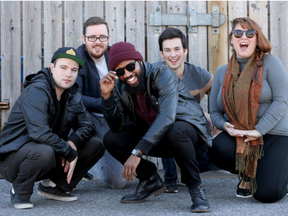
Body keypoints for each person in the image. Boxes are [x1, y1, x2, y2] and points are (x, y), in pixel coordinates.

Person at [100, 42, 212, 213]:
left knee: (175, 130)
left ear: (139, 61)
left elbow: (167, 117)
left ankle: (196, 189)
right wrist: (107, 97)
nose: (128, 74)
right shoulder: (121, 86)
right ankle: (149, 180)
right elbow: (117, 126)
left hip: (189, 135)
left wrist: (137, 152)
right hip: (159, 138)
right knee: (111, 139)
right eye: (121, 71)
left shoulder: (162, 73)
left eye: (130, 66)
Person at [0, 47, 105, 209]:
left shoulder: (72, 94)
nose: (68, 74)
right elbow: (39, 132)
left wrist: (73, 142)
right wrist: (69, 152)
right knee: (44, 151)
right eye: (63, 68)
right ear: (52, 68)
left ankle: (55, 187)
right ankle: (20, 191)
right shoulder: (37, 90)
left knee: (95, 145)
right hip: (13, 158)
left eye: (74, 70)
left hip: (47, 152)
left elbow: (87, 125)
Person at [208, 17, 288, 203]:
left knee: (266, 194)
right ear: (232, 39)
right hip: (242, 135)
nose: (244, 37)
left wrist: (258, 130)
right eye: (238, 33)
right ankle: (248, 173)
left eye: (250, 33)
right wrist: (225, 126)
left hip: (276, 134)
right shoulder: (222, 72)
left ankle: (279, 171)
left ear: (257, 38)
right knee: (217, 148)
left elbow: (282, 100)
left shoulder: (270, 63)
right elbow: (214, 111)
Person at [157, 27, 219, 193]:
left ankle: (188, 171)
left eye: (177, 49)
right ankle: (170, 177)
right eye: (167, 50)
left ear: (185, 51)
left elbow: (221, 99)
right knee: (168, 123)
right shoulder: (154, 74)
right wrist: (200, 112)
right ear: (161, 54)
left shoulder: (200, 75)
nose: (173, 54)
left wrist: (214, 116)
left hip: (192, 131)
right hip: (163, 130)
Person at [76, 16, 125, 188]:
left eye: (102, 37)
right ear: (84, 39)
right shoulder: (77, 58)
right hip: (84, 119)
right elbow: (77, 97)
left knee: (118, 183)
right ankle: (80, 164)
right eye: (92, 37)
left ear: (108, 38)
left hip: (109, 120)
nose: (98, 42)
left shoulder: (116, 57)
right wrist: (106, 102)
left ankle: (95, 164)